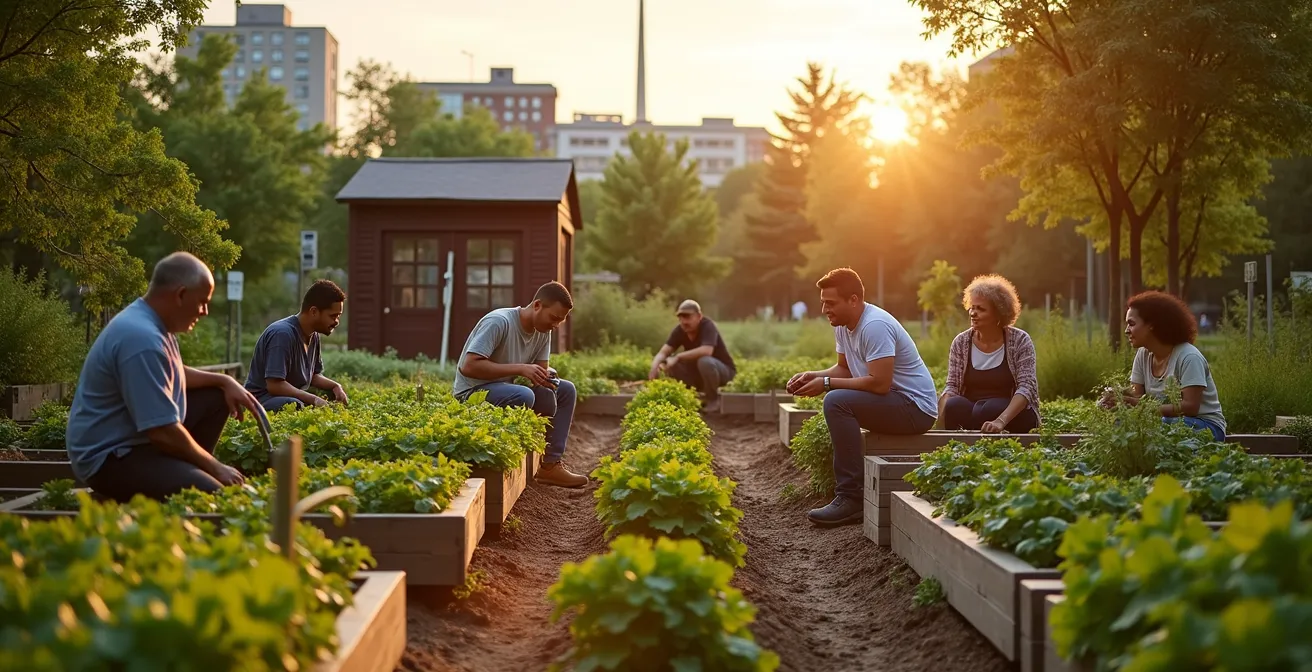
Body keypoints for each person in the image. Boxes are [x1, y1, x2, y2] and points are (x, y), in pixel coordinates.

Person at [67, 252, 263, 502]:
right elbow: (162, 431)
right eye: (202, 302)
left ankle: (185, 470)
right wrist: (216, 468)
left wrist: (224, 381)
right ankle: (192, 475)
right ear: (180, 295)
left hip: (137, 440)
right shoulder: (142, 339)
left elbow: (171, 372)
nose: (204, 312)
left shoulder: (153, 323)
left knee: (216, 395)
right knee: (211, 494)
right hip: (111, 457)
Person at [786, 268, 939, 527]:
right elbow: (844, 369)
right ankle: (849, 495)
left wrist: (825, 384)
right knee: (836, 399)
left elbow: (880, 384)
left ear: (854, 300)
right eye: (823, 302)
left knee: (836, 401)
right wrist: (813, 374)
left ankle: (851, 498)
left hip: (915, 408)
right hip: (893, 401)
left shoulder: (874, 325)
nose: (825, 309)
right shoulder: (843, 325)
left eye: (830, 303)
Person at [454, 281, 588, 488]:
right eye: (553, 318)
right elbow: (468, 366)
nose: (555, 325)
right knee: (524, 395)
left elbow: (540, 370)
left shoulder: (544, 331)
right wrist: (520, 368)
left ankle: (550, 466)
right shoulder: (499, 321)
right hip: (473, 392)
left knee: (565, 390)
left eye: (560, 321)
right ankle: (510, 465)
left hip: (507, 389)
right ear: (537, 305)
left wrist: (546, 375)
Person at [1099, 291, 1227, 440]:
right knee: (1121, 421)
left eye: (1131, 324)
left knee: (1162, 424)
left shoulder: (1189, 357)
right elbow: (1137, 396)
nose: (1126, 331)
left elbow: (1190, 408)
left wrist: (1137, 405)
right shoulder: (1143, 355)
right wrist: (1118, 396)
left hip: (1204, 426)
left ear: (1152, 325)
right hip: (1166, 422)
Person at [939, 274, 1041, 433]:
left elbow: (1026, 387)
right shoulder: (961, 342)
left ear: (998, 314)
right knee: (954, 405)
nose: (973, 313)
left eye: (980, 309)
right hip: (974, 410)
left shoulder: (1020, 340)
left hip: (1010, 414)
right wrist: (940, 421)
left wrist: (1000, 421)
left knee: (988, 409)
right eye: (972, 307)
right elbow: (952, 386)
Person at [244, 279, 349, 412]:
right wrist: (314, 400)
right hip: (261, 401)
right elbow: (275, 385)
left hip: (288, 398)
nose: (337, 322)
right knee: (294, 404)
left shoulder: (314, 336)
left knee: (332, 395)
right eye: (333, 316)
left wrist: (336, 386)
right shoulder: (282, 334)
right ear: (314, 311)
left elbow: (313, 375)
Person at [648, 299, 737, 413]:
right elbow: (663, 352)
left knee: (705, 361)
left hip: (723, 372)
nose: (684, 321)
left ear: (699, 316)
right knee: (673, 365)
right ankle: (690, 398)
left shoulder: (707, 326)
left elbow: (707, 350)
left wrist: (678, 357)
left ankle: (713, 399)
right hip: (700, 375)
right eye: (681, 318)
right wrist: (654, 367)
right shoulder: (680, 330)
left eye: (688, 317)